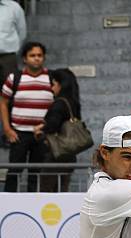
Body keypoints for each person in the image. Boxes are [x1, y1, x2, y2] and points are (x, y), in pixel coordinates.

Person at [0, 41, 53, 191]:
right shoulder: (14, 78)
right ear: (25, 58)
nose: (36, 58)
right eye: (32, 55)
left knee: (35, 173)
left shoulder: (51, 78)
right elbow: (3, 103)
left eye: (39, 55)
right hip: (18, 134)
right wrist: (7, 129)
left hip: (41, 135)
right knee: (14, 172)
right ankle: (8, 206)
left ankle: (33, 207)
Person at [32, 68, 81, 192]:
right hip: (69, 154)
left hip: (56, 153)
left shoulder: (59, 104)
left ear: (60, 84)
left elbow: (53, 125)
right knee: (62, 189)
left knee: (47, 189)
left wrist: (40, 130)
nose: (52, 88)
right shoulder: (73, 103)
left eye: (53, 84)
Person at [0, 0, 26, 89]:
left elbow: (22, 32)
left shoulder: (14, 8)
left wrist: (15, 50)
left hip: (8, 58)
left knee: (10, 89)